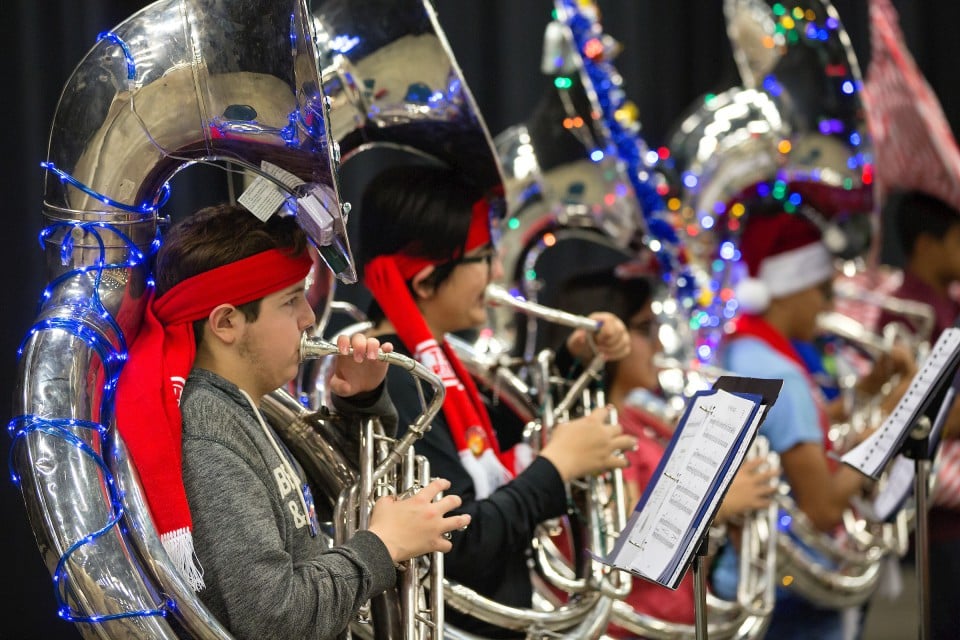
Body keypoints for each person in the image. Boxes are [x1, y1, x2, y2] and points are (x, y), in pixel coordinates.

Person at [114, 204, 470, 640]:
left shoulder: (242, 408)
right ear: (227, 322)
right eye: (289, 301)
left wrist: (362, 401)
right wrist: (382, 547)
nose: (308, 318)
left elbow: (339, 494)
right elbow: (273, 619)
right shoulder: (208, 435)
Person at [357, 164, 638, 639]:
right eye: (483, 257)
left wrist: (578, 364)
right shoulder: (397, 382)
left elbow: (522, 437)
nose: (496, 273)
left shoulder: (446, 360)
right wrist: (558, 467)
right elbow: (461, 538)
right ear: (425, 282)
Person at [714, 209, 913, 640]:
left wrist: (873, 388)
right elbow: (822, 509)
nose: (829, 305)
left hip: (749, 581)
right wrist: (892, 419)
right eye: (823, 290)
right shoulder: (780, 374)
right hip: (790, 600)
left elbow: (803, 426)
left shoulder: (744, 350)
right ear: (791, 288)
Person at [556, 261, 779, 634]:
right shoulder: (594, 432)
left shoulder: (646, 421)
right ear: (606, 339)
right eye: (645, 328)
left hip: (678, 620)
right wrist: (717, 505)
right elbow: (616, 553)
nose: (659, 343)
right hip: (629, 628)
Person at [876, 190, 960, 639]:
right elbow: (920, 416)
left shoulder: (949, 302)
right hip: (943, 516)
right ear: (926, 245)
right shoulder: (904, 311)